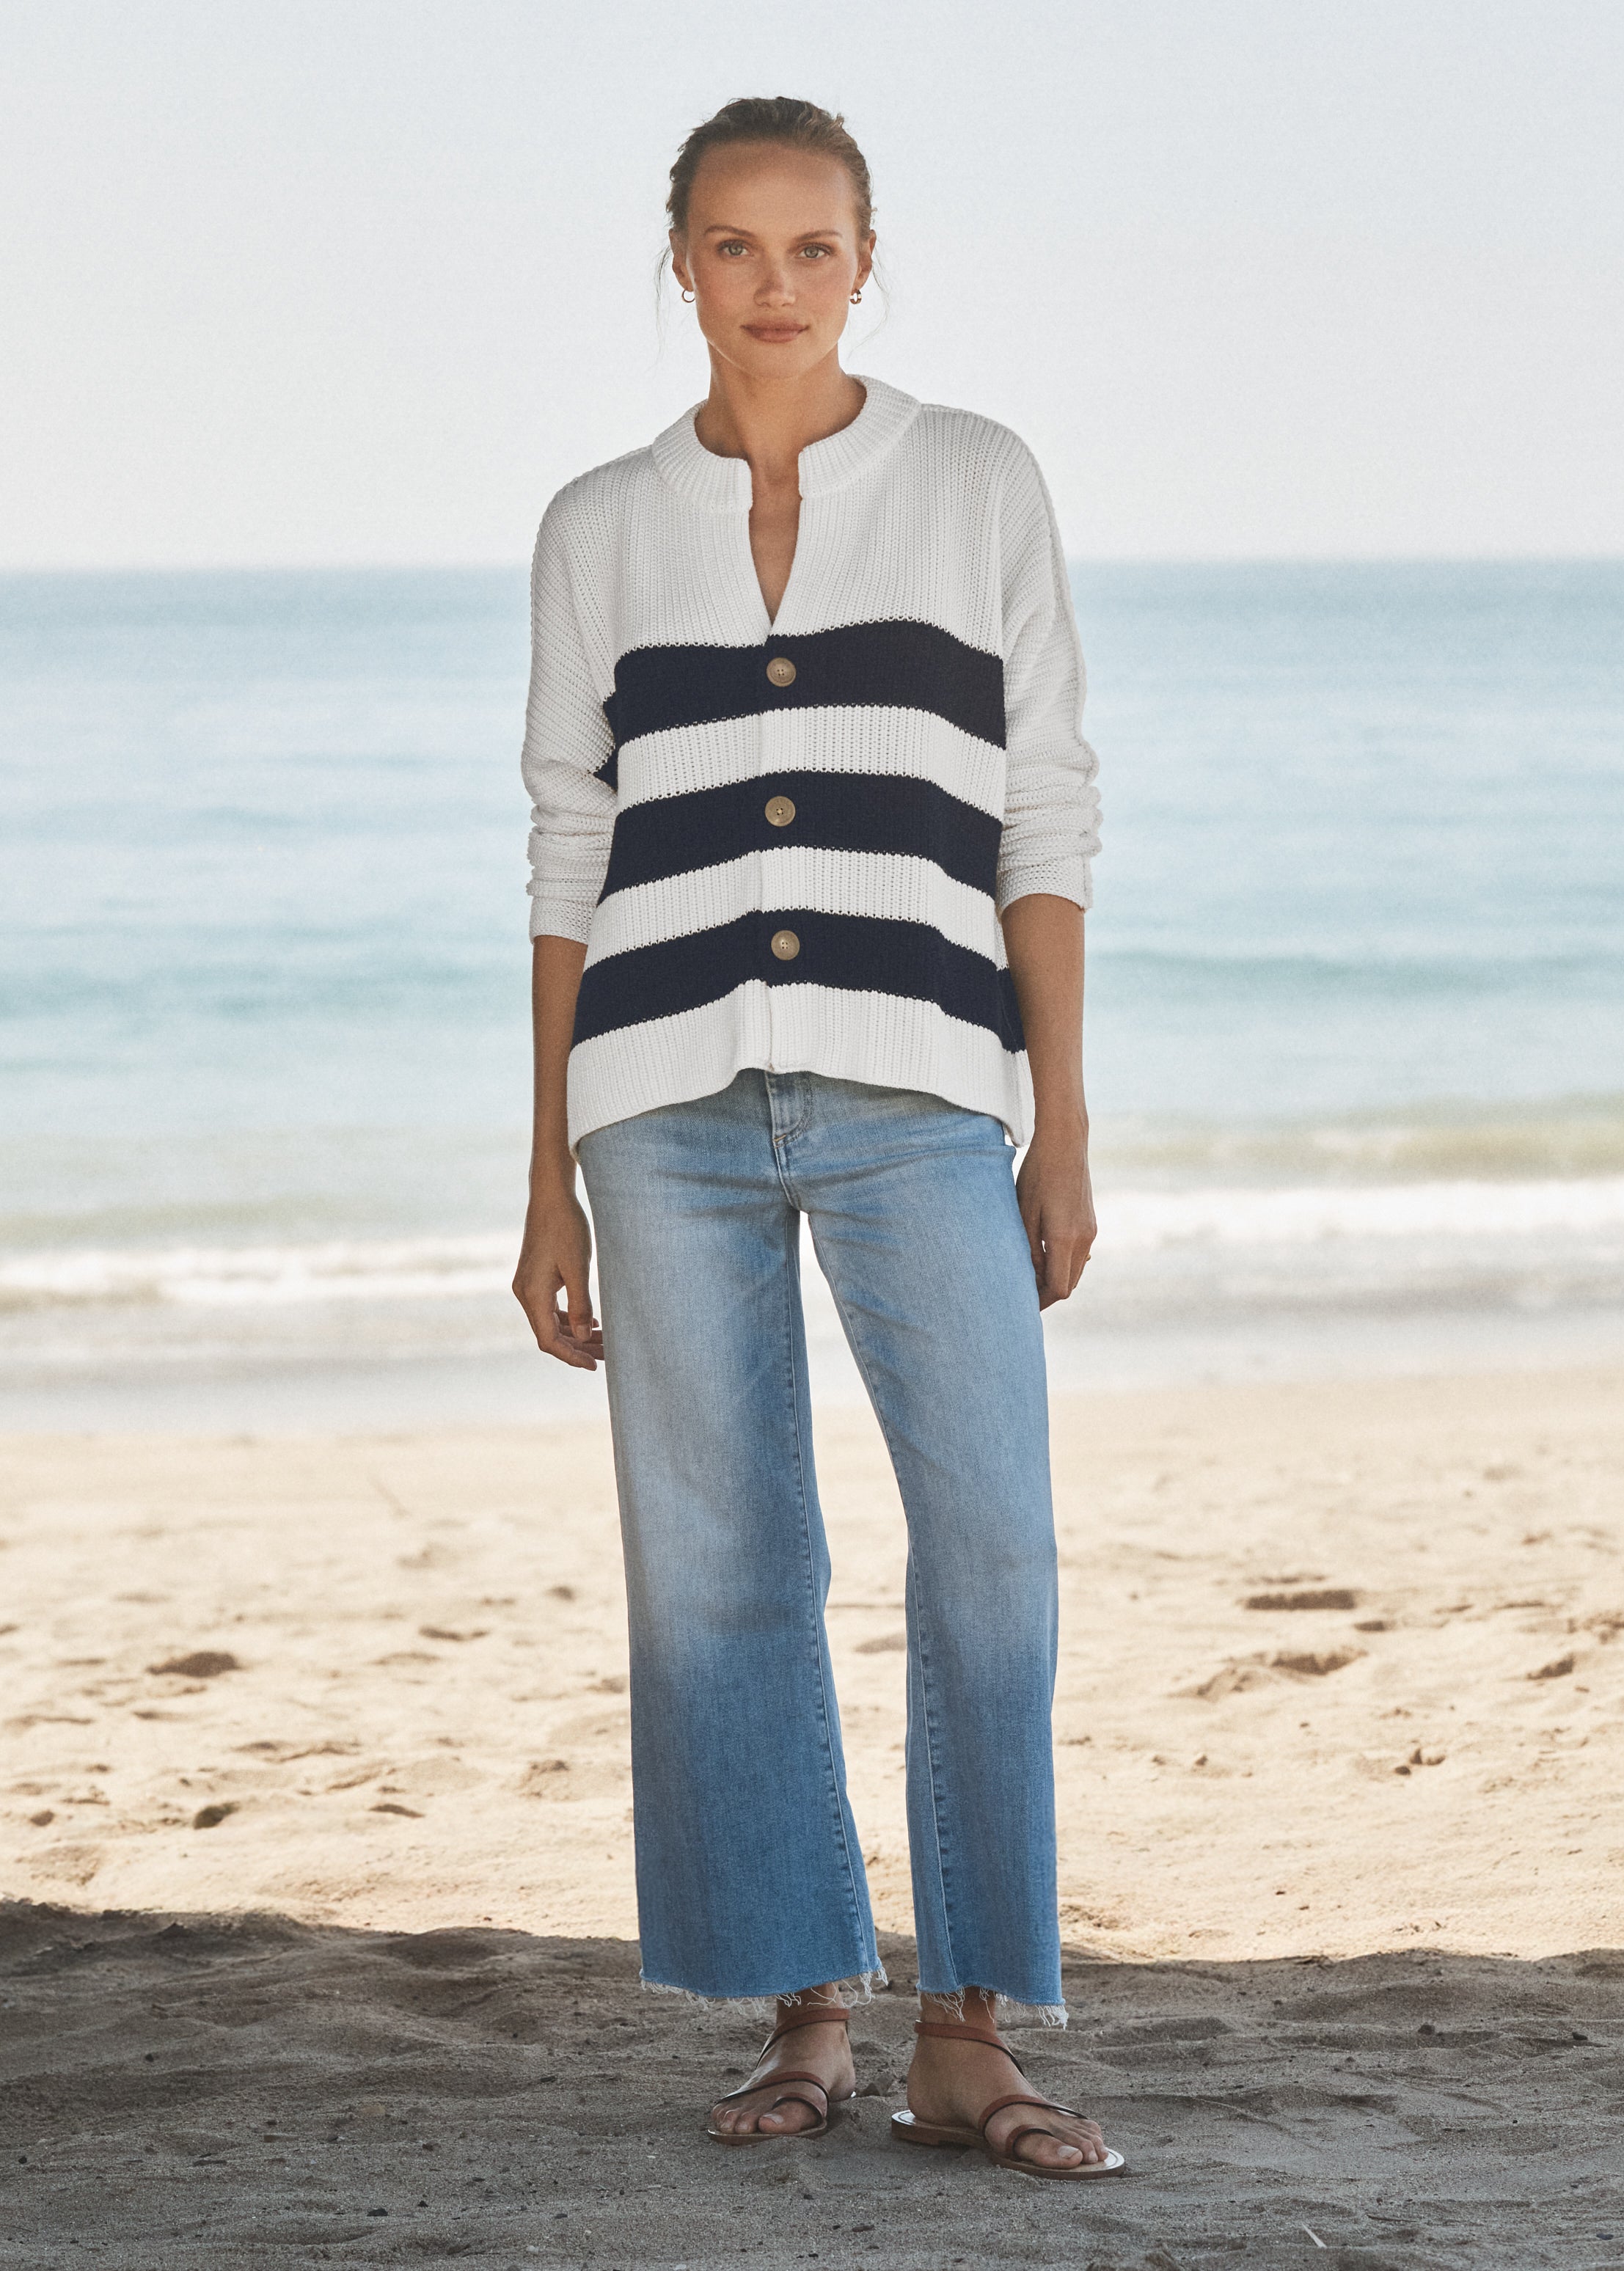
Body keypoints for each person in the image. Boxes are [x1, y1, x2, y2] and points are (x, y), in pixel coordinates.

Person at [513, 95, 1119, 2179]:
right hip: (657, 1105)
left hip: (922, 1083)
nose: (773, 285)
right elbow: (569, 845)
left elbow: (1042, 805)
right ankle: (806, 2007)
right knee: (720, 1564)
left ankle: (969, 2029)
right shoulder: (598, 525)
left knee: (993, 1547)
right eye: (733, 245)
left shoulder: (973, 481)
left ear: (866, 264)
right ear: (678, 262)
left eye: (812, 247)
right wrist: (543, 1172)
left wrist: (1055, 1118)